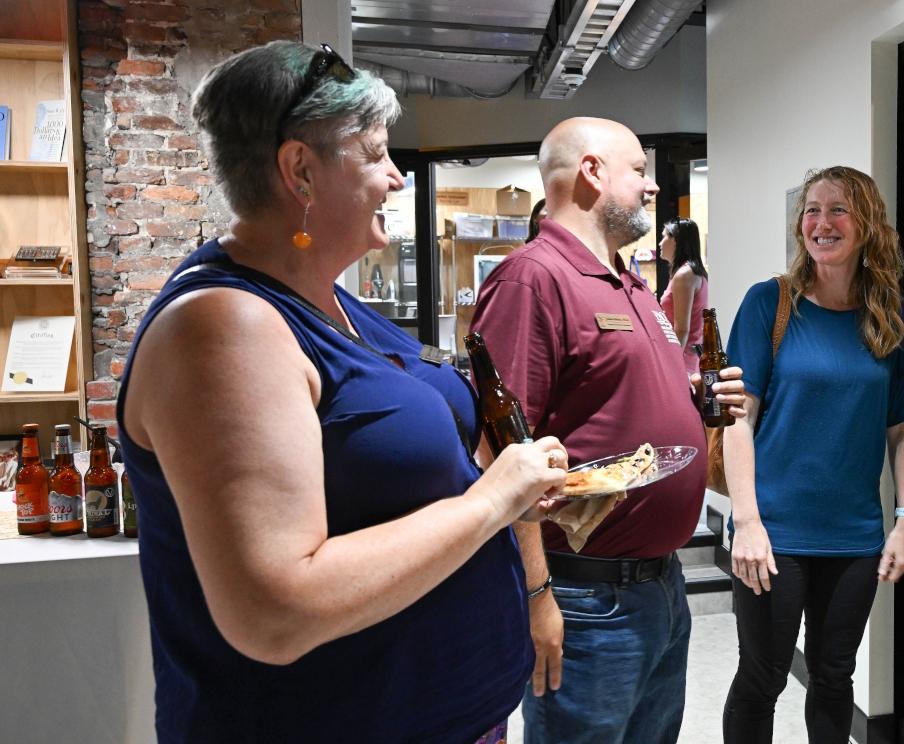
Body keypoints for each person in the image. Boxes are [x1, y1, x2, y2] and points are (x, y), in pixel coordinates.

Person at [115, 41, 569, 743]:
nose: (394, 177)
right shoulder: (223, 327)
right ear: (300, 169)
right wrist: (491, 500)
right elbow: (276, 609)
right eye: (377, 152)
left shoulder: (332, 303)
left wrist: (510, 484)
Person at [469, 116, 747, 744]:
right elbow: (502, 451)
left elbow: (619, 393)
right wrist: (538, 593)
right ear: (591, 171)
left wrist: (696, 398)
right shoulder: (531, 279)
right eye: (640, 171)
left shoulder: (632, 280)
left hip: (659, 585)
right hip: (585, 598)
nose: (651, 189)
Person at [722, 166, 904, 743]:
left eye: (838, 209)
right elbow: (738, 421)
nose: (821, 222)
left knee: (835, 676)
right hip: (775, 534)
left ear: (867, 225)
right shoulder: (771, 304)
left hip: (854, 535)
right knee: (763, 678)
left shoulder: (895, 319)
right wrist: (747, 523)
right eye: (812, 211)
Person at [659, 218, 709, 376]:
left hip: (684, 363)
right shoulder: (690, 272)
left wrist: (670, 366)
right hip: (689, 359)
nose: (660, 243)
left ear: (676, 240)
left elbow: (681, 329)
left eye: (664, 236)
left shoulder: (684, 275)